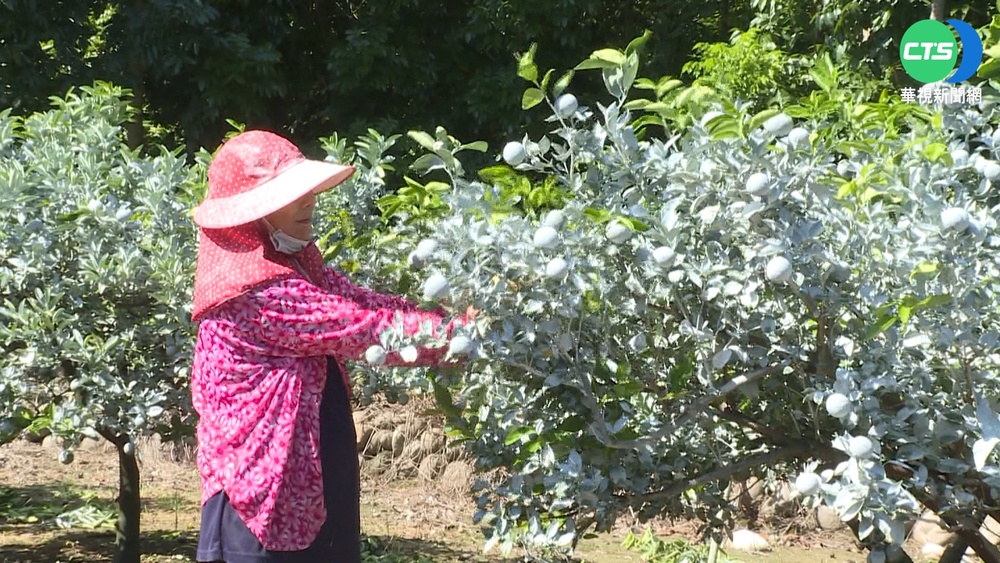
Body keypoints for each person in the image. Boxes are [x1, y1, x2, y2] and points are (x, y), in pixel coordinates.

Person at [189, 129, 473, 562]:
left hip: (306, 476)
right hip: (263, 491)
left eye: (306, 191)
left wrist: (449, 316)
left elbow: (361, 302)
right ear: (251, 215)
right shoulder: (256, 290)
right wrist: (462, 335)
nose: (308, 202)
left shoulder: (296, 261)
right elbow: (363, 328)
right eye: (289, 195)